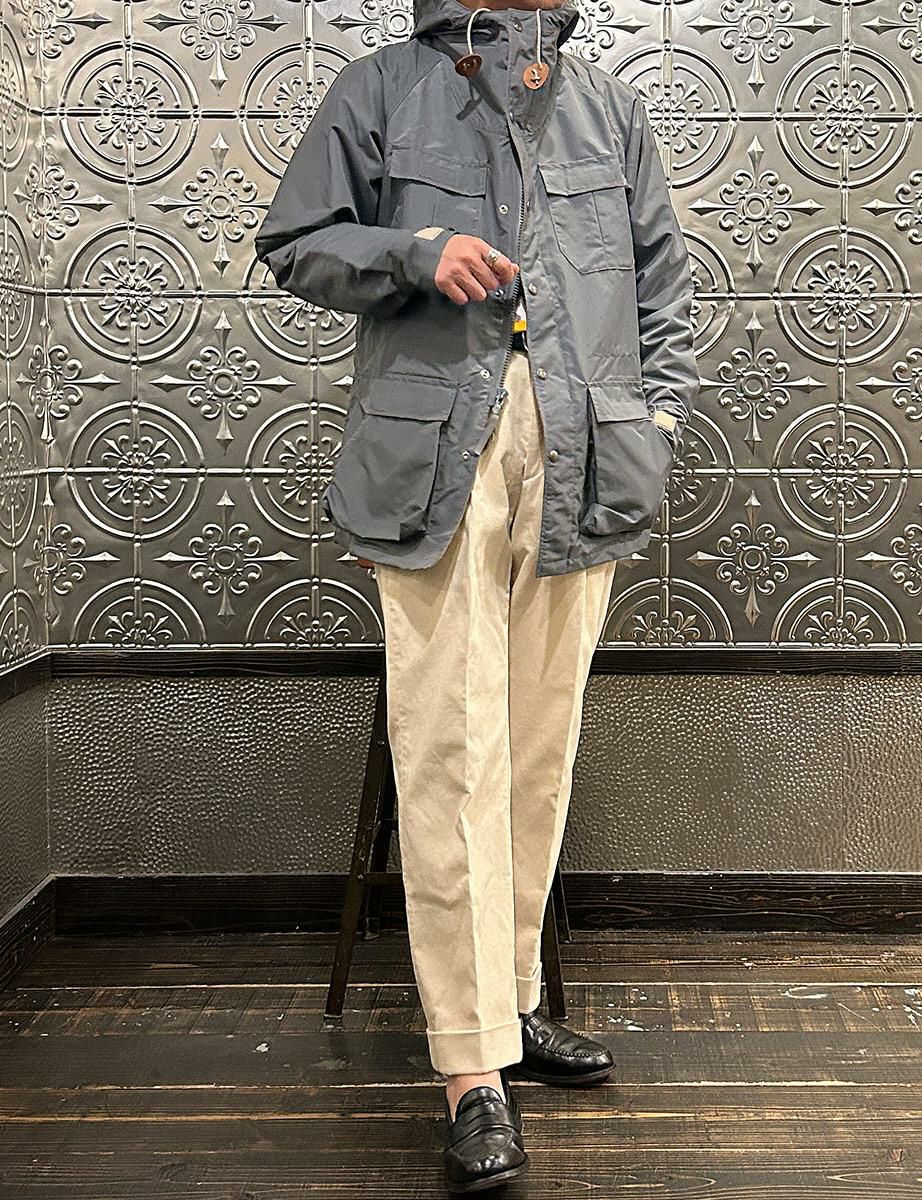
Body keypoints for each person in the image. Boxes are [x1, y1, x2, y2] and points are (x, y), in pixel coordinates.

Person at [253, 0, 698, 1189]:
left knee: (537, 751)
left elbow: (662, 290)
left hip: (585, 457)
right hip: (435, 452)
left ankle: (511, 1000)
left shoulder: (608, 107)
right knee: (452, 750)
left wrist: (656, 426)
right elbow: (295, 241)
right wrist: (416, 252)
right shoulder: (381, 87)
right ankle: (470, 1068)